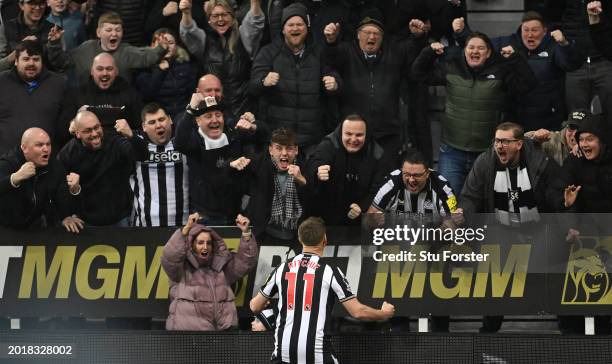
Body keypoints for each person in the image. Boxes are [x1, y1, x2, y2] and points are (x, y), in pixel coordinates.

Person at [458, 122, 560, 333]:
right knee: (494, 270)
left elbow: (556, 197)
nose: (499, 146)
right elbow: (469, 197)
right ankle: (489, 329)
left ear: (519, 144)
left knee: (547, 270)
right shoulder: (485, 163)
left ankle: (565, 326)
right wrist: (461, 217)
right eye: (497, 141)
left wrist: (566, 217)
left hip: (536, 226)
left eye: (505, 141)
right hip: (500, 224)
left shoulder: (541, 162)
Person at [250, 217, 395, 364]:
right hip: (316, 352)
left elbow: (254, 306)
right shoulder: (330, 271)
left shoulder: (282, 268)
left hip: (283, 352)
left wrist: (263, 302)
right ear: (324, 239)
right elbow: (357, 311)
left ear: (300, 239)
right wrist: (384, 314)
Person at [411, 31, 537, 194]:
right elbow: (416, 74)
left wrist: (516, 58)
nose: (475, 51)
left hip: (487, 153)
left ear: (489, 52)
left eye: (480, 48)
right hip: (452, 151)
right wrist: (428, 53)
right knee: (449, 199)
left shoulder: (500, 71)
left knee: (487, 201)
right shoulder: (451, 67)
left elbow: (528, 84)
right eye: (471, 47)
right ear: (464, 50)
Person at [453, 11, 584, 131]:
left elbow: (571, 64)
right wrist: (462, 32)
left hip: (548, 119)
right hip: (516, 119)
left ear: (544, 31)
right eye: (526, 30)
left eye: (534, 30)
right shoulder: (510, 43)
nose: (530, 34)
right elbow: (481, 46)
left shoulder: (554, 47)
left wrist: (564, 44)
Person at [250, 2, 340, 157]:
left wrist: (335, 84)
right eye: (290, 24)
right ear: (283, 29)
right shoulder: (269, 52)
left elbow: (335, 75)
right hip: (279, 140)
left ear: (307, 28)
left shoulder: (319, 53)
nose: (295, 28)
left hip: (312, 140)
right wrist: (263, 82)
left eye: (300, 24)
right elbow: (252, 86)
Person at [323, 16, 418, 161]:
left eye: (377, 33)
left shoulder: (393, 54)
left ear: (382, 38)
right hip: (354, 134)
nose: (372, 37)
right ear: (358, 34)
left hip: (387, 133)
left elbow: (413, 59)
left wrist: (417, 37)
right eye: (367, 32)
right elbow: (330, 60)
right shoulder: (345, 51)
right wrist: (331, 42)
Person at [557, 111, 612, 335]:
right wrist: (568, 211)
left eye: (590, 139)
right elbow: (558, 192)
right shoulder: (574, 162)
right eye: (581, 139)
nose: (584, 144)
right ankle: (572, 342)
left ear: (602, 141)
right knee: (574, 298)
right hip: (585, 237)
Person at [162, 212, 258, 330]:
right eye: (200, 242)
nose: (205, 246)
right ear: (191, 245)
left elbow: (245, 263)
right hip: (188, 337)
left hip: (222, 334)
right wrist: (185, 230)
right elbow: (170, 257)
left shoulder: (221, 267)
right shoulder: (181, 268)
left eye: (208, 243)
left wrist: (246, 233)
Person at [174, 93, 259, 224]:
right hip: (205, 215)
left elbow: (264, 136)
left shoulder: (232, 135)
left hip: (234, 213)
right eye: (208, 116)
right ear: (198, 121)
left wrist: (253, 124)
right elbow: (179, 142)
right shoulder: (194, 142)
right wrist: (190, 109)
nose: (215, 120)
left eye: (218, 115)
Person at [58, 110, 148, 226]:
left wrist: (131, 135)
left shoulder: (114, 141)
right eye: (88, 131)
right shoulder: (68, 153)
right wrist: (66, 216)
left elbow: (143, 155)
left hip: (120, 217)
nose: (95, 133)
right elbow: (56, 187)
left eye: (97, 127)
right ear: (78, 134)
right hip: (85, 221)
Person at [180, 0, 264, 121]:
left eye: (225, 14)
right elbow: (188, 32)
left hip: (243, 110)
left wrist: (255, 3)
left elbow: (254, 23)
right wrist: (186, 13)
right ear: (209, 19)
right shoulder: (204, 41)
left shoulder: (243, 36)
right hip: (213, 113)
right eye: (215, 16)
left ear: (232, 17)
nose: (220, 19)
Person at [306, 114, 392, 226]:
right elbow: (313, 164)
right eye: (349, 134)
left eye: (359, 135)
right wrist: (317, 173)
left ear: (366, 135)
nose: (353, 139)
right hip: (326, 214)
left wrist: (363, 206)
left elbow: (379, 187)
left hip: (360, 217)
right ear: (341, 132)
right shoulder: (329, 144)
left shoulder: (376, 153)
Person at [231, 128, 307, 251]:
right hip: (263, 234)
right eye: (278, 148)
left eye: (289, 148)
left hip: (296, 238)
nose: (284, 153)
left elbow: (314, 200)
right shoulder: (258, 163)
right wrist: (232, 165)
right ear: (270, 150)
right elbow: (229, 179)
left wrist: (302, 181)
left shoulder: (305, 167)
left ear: (296, 150)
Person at [47, 11, 166, 88]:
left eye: (118, 30)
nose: (114, 34)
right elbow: (61, 62)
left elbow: (146, 56)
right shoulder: (86, 49)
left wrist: (161, 48)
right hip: (86, 104)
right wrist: (54, 44)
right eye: (109, 30)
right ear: (98, 32)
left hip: (118, 105)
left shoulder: (126, 51)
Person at [0, 127, 82, 232]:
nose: (46, 149)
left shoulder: (55, 167)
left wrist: (74, 191)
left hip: (34, 229)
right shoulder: (8, 163)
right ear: (24, 148)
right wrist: (14, 179)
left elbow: (62, 201)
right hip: (4, 229)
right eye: (39, 145)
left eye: (48, 144)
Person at [0, 40, 65, 155]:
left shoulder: (58, 84)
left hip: (47, 161)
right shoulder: (2, 82)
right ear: (16, 61)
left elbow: (64, 125)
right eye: (26, 59)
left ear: (42, 61)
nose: (31, 63)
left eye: (36, 59)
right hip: (6, 161)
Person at [131, 103, 189, 227]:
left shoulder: (184, 142)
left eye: (161, 119)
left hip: (184, 225)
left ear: (170, 120)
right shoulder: (134, 145)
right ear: (144, 127)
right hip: (146, 226)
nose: (158, 125)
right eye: (152, 122)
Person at [60, 52, 143, 135]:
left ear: (116, 72)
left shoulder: (130, 93)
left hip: (122, 143)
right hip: (87, 144)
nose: (104, 73)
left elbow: (141, 128)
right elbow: (63, 130)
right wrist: (75, 121)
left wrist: (130, 133)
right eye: (100, 69)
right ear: (92, 71)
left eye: (109, 69)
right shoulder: (77, 94)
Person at [369, 151, 457, 218]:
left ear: (427, 173)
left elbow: (451, 224)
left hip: (431, 238)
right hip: (394, 238)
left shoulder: (445, 189)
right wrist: (373, 222)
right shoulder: (389, 185)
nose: (411, 180)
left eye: (417, 175)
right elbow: (367, 221)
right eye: (407, 174)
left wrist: (447, 226)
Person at [134, 28, 197, 119]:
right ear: (152, 46)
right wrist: (159, 71)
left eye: (170, 43)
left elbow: (191, 94)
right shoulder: (144, 68)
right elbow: (147, 96)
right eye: (161, 43)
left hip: (184, 115)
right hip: (159, 118)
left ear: (176, 47)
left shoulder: (185, 66)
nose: (166, 46)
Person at [0, 0, 54, 71]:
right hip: (13, 79)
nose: (37, 7)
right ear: (21, 5)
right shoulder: (6, 28)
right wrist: (19, 51)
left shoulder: (53, 30)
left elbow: (61, 66)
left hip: (45, 79)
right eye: (32, 3)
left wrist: (55, 45)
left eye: (41, 3)